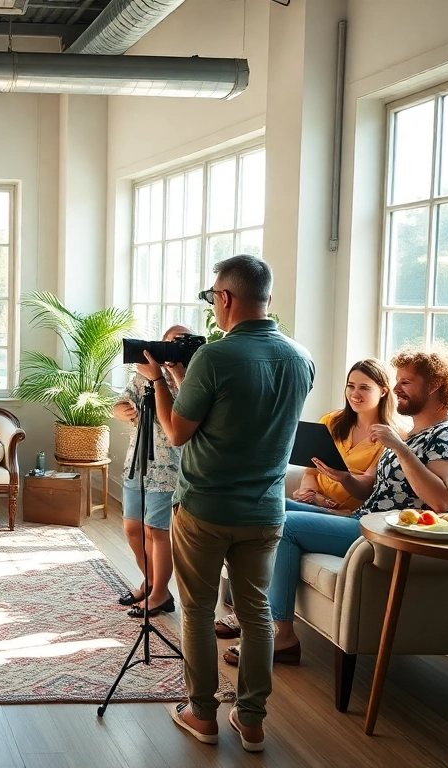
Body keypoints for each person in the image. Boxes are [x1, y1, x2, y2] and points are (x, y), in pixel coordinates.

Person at [136, 254, 313, 753]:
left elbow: (177, 432)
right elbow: (241, 415)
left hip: (206, 508)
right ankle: (252, 721)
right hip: (265, 510)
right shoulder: (301, 358)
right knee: (256, 612)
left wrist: (158, 380)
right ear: (267, 297)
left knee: (197, 611)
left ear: (225, 297)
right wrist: (183, 379)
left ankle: (202, 713)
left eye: (212, 296)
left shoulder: (214, 357)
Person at [214, 359, 401, 665]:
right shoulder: (333, 421)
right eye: (351, 386)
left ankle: (276, 629)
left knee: (281, 524)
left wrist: (336, 486)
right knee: (256, 506)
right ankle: (249, 611)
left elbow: (367, 491)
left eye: (364, 388)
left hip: (347, 514)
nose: (355, 394)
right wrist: (310, 492)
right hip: (317, 505)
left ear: (383, 391)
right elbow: (310, 469)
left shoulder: (391, 436)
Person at [310, 348, 448, 553]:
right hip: (364, 521)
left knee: (286, 524)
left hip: (388, 535)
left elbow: (442, 501)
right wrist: (344, 478)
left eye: (405, 382)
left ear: (434, 384)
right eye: (397, 381)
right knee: (275, 510)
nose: (395, 389)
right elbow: (371, 489)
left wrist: (399, 447)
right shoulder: (413, 435)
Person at [112, 325, 191, 619]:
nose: (172, 348)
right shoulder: (144, 374)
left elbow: (187, 414)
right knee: (132, 528)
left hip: (167, 466)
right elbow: (121, 403)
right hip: (137, 462)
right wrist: (122, 411)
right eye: (168, 342)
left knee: (155, 530)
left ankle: (159, 594)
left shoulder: (192, 380)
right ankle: (151, 582)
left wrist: (168, 376)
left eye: (179, 343)